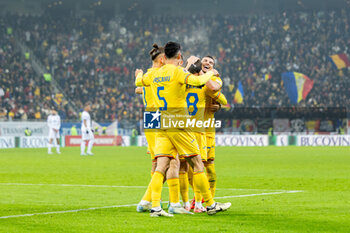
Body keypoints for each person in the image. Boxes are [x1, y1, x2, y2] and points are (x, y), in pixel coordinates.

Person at [136, 41, 231, 217]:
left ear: (164, 57)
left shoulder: (155, 73)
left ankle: (155, 207)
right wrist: (209, 72)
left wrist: (139, 74)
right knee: (196, 162)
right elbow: (197, 80)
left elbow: (139, 82)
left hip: (161, 123)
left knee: (161, 165)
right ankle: (210, 204)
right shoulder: (178, 72)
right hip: (179, 124)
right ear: (179, 57)